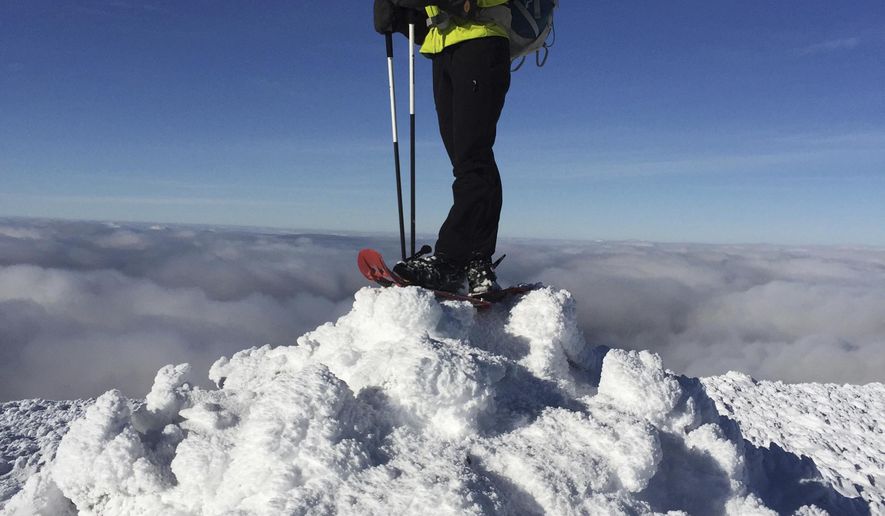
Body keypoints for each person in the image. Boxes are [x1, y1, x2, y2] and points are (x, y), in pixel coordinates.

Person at [373, 0, 511, 296]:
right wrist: (398, 20)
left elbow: (466, 7)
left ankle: (452, 260)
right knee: (468, 161)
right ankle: (477, 261)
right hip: (444, 52)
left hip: (482, 42)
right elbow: (434, 23)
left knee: (472, 157)